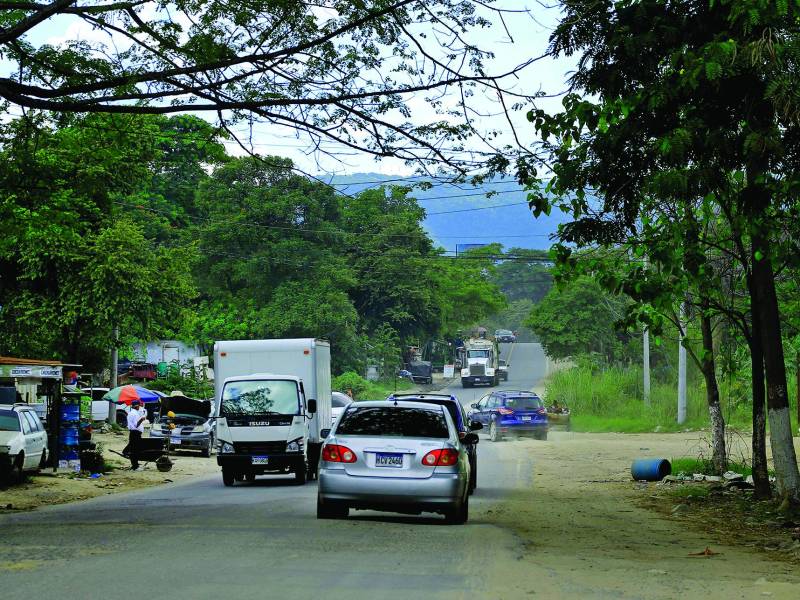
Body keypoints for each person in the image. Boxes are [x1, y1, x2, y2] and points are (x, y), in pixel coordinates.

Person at [126, 400, 147, 471]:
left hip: (135, 433)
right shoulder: (133, 414)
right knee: (135, 450)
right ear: (137, 406)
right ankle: (135, 466)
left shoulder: (134, 413)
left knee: (134, 449)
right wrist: (142, 419)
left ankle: (135, 464)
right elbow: (136, 425)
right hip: (135, 433)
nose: (140, 407)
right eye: (139, 406)